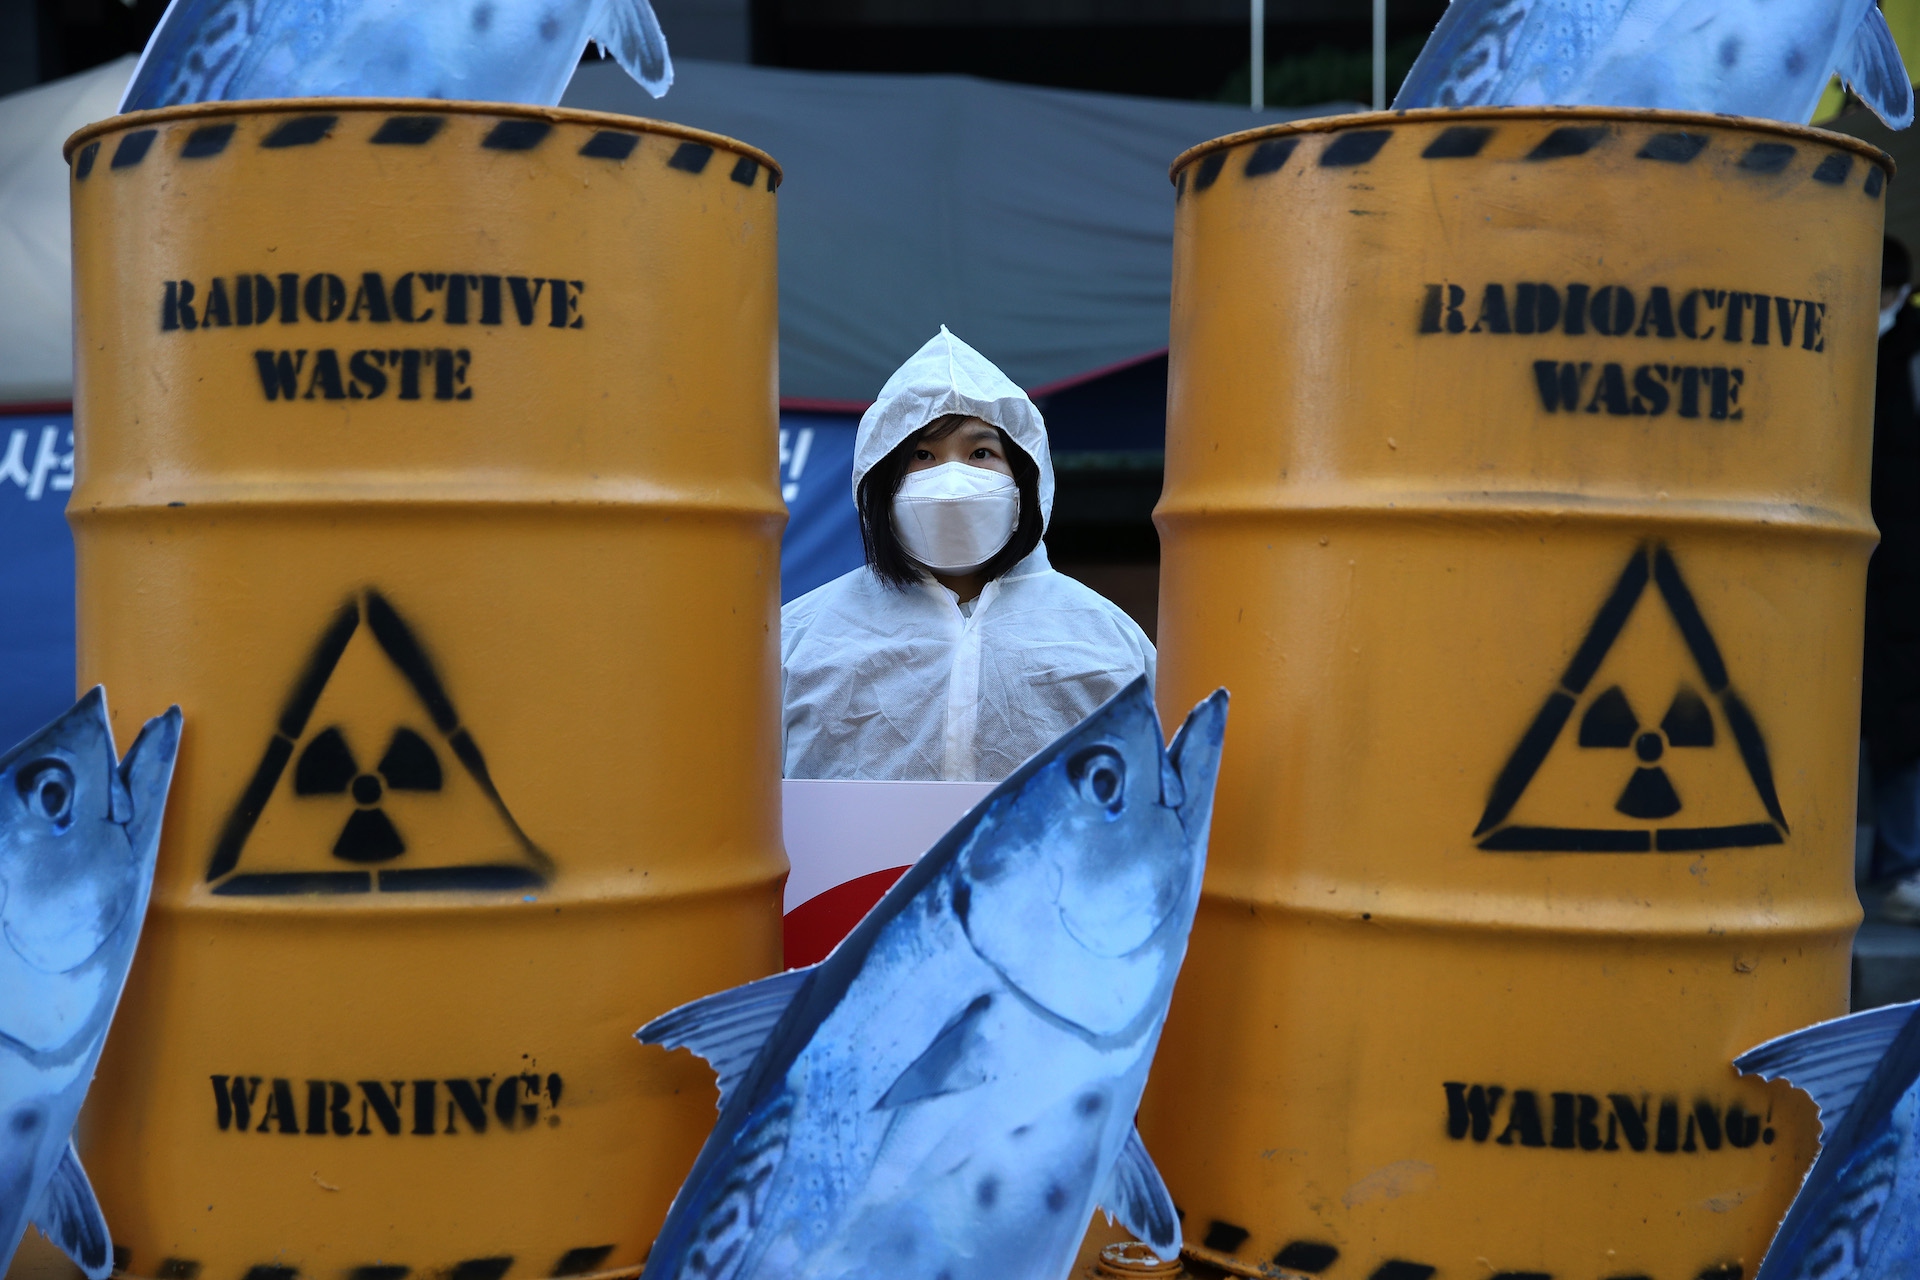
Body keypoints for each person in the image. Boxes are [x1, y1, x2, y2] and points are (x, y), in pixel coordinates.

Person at [781, 327, 1155, 781]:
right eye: (921, 455)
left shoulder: (1108, 638)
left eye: (980, 452)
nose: (952, 480)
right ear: (881, 484)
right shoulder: (799, 639)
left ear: (1025, 479)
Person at [1865, 236, 1920, 919]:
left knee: (1903, 716)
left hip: (1904, 566)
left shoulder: (1905, 350)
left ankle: (1903, 862)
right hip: (1845, 555)